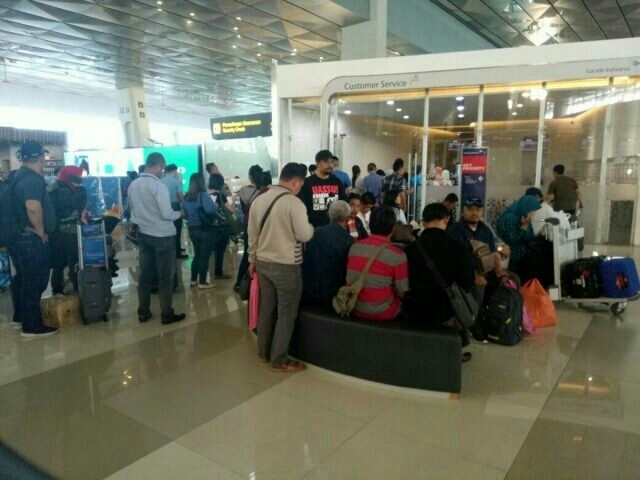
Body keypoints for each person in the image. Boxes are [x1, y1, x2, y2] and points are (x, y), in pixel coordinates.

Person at [248, 162, 314, 372]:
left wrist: (252, 260)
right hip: (286, 266)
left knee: (266, 309)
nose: (299, 188)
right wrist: (311, 228)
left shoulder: (259, 200)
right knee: (286, 314)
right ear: (294, 182)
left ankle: (263, 352)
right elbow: (304, 235)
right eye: (300, 185)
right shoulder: (294, 204)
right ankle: (279, 359)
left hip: (263, 264)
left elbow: (252, 235)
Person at [404, 203, 476, 357]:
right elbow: (468, 283)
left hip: (416, 310)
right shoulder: (459, 248)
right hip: (447, 312)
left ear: (423, 222)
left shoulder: (411, 249)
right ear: (446, 219)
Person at [128, 152, 185, 325]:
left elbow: (133, 212)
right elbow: (166, 214)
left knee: (145, 274)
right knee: (165, 277)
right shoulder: (158, 186)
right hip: (162, 236)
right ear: (158, 166)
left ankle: (143, 311)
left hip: (144, 235)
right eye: (162, 168)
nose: (162, 172)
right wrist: (180, 214)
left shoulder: (133, 185)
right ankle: (166, 314)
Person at [9, 141, 58, 338]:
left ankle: (20, 316)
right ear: (40, 157)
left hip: (18, 237)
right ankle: (32, 326)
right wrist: (40, 231)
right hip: (30, 239)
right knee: (34, 280)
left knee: (22, 278)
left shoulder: (17, 176)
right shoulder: (32, 179)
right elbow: (33, 207)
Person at [345, 206, 409, 321]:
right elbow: (401, 293)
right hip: (384, 312)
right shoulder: (398, 255)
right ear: (393, 228)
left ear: (370, 225)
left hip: (354, 306)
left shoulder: (354, 247)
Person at [302, 200, 354, 305]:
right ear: (348, 218)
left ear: (329, 214)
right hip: (332, 293)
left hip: (307, 288)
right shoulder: (348, 240)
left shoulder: (315, 233)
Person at [496, 195, 553, 286]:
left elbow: (529, 237)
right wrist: (523, 227)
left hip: (524, 249)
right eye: (531, 211)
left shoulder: (524, 218)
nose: (532, 214)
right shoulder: (509, 219)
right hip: (512, 252)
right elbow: (512, 240)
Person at [48, 165, 87, 295]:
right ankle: (77, 290)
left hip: (56, 232)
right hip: (70, 232)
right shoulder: (73, 191)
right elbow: (73, 208)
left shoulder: (53, 188)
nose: (80, 179)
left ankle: (57, 292)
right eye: (78, 176)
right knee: (74, 262)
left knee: (58, 265)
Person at [234, 165, 271, 291]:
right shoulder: (266, 191)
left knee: (248, 253)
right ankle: (259, 283)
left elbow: (243, 209)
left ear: (250, 177)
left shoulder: (243, 191)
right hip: (262, 225)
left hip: (248, 224)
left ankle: (240, 282)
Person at [182, 173, 218, 289]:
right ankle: (202, 282)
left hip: (192, 229)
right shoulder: (203, 195)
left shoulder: (187, 197)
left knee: (197, 255)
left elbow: (185, 215)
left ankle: (193, 280)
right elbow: (209, 210)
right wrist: (215, 205)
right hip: (205, 229)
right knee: (204, 256)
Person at [298, 149, 347, 227]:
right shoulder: (307, 183)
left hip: (334, 226)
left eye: (331, 162)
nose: (330, 165)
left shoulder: (337, 182)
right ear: (317, 163)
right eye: (326, 162)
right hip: (314, 228)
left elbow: (343, 203)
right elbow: (301, 208)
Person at [208, 173, 234, 280]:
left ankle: (207, 273)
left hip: (209, 226)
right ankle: (218, 272)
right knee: (220, 251)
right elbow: (231, 209)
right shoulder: (220, 195)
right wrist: (232, 198)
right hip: (221, 227)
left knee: (210, 251)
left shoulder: (206, 195)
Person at [161, 164, 187, 259]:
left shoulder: (161, 181)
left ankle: (172, 249)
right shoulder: (176, 181)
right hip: (175, 206)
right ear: (174, 171)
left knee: (167, 229)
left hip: (163, 206)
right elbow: (180, 197)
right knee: (177, 230)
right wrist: (183, 208)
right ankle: (177, 252)